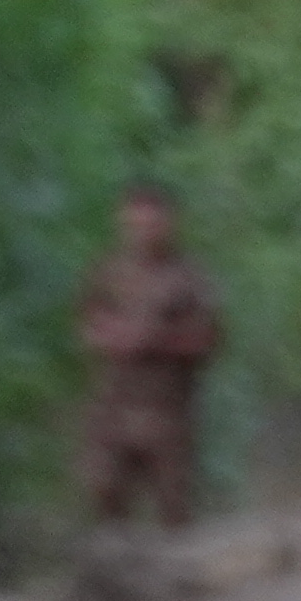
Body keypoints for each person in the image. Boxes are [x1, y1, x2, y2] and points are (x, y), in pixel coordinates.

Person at [72, 191, 220, 542]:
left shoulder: (190, 278)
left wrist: (157, 341)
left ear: (170, 223)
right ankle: (116, 580)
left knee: (173, 512)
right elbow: (87, 325)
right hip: (113, 410)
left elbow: (208, 340)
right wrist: (116, 338)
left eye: (152, 223)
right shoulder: (108, 272)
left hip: (167, 413)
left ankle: (181, 586)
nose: (143, 232)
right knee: (105, 493)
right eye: (134, 224)